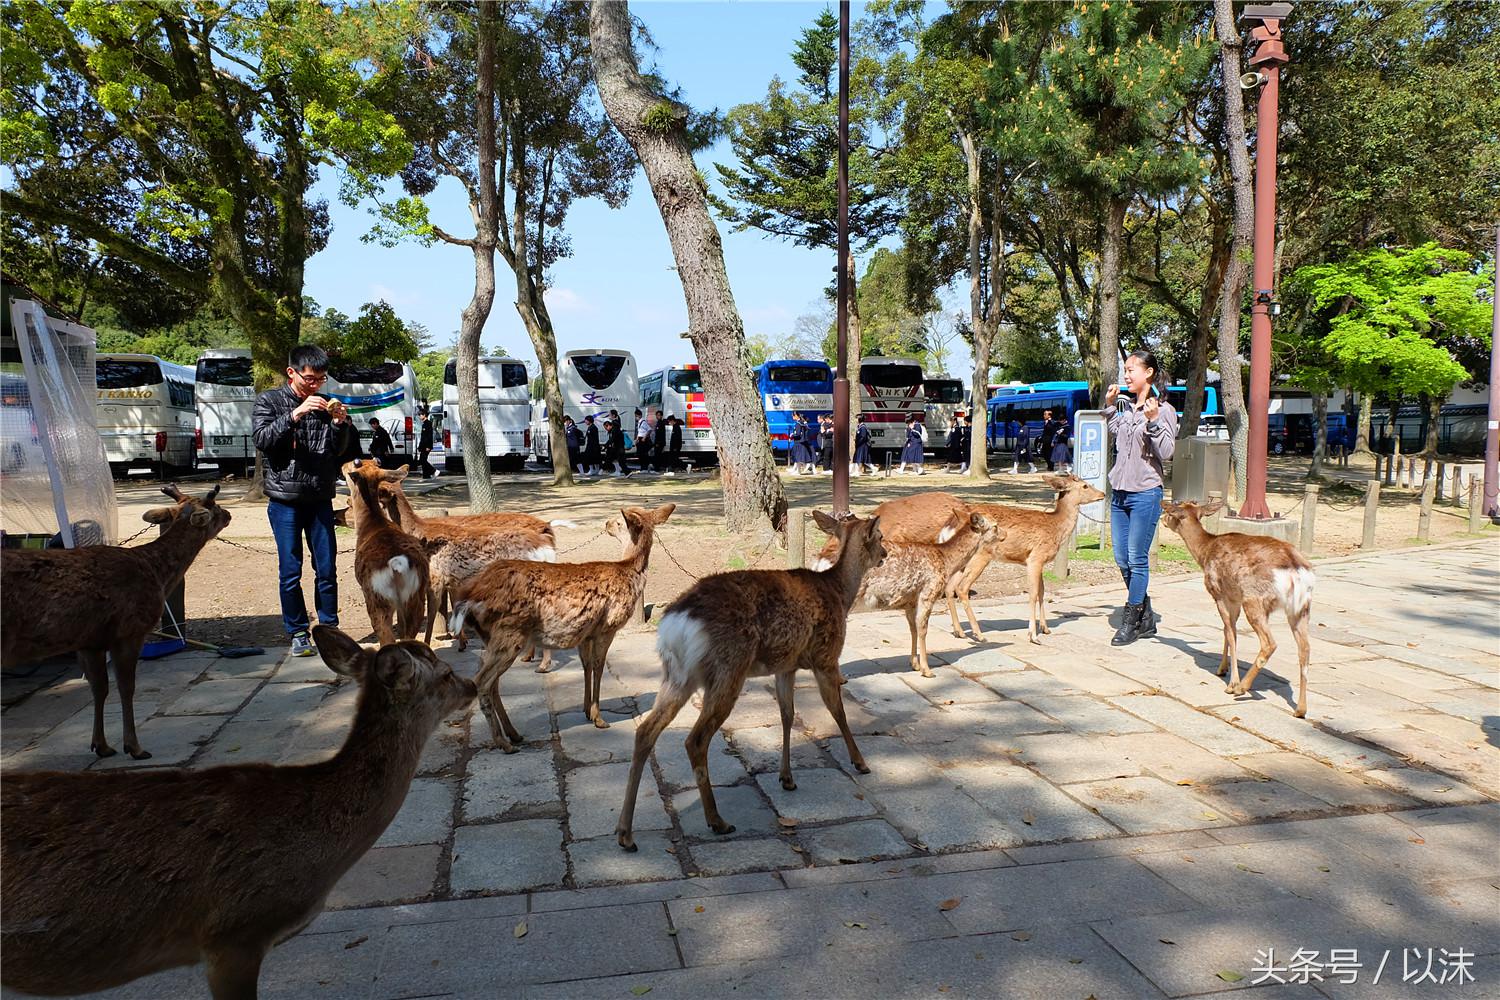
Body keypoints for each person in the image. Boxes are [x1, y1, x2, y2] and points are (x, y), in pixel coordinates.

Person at [252, 344, 354, 657]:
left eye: (321, 380)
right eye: (310, 379)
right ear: (291, 372)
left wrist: (341, 425)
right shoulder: (269, 401)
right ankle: (297, 631)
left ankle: (329, 628)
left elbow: (341, 453)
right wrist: (295, 414)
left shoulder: (325, 404)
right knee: (290, 570)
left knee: (326, 568)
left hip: (320, 497)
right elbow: (263, 440)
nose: (316, 385)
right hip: (284, 499)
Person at [1107, 349, 1178, 646]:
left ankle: (1131, 621)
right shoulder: (1126, 410)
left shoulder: (1164, 410)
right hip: (1120, 492)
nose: (1126, 375)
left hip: (1145, 494)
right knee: (1121, 557)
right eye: (1125, 370)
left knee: (1137, 558)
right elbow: (1116, 434)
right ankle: (1145, 612)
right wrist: (1110, 406)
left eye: (1131, 369)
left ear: (1148, 373)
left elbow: (1167, 452)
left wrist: (1152, 422)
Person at [416, 411, 435, 479]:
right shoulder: (424, 423)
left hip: (426, 446)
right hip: (423, 446)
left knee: (423, 460)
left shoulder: (428, 423)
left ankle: (433, 470)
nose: (419, 416)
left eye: (420, 415)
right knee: (422, 460)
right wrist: (420, 446)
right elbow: (423, 437)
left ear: (424, 415)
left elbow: (429, 436)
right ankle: (426, 476)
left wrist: (428, 446)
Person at [635, 408, 654, 474]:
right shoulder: (639, 422)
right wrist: (637, 438)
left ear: (639, 415)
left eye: (636, 416)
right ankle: (643, 467)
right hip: (640, 438)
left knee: (643, 454)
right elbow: (639, 431)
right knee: (640, 454)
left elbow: (649, 429)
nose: (636, 417)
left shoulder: (643, 422)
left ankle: (645, 468)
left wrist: (644, 438)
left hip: (643, 439)